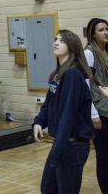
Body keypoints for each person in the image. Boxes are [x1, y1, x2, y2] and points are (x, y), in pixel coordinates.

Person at [33, 29, 94, 194]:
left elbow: (68, 115)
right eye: (55, 39)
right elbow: (49, 103)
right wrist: (39, 121)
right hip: (62, 143)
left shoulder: (73, 74)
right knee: (48, 188)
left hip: (72, 146)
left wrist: (58, 150)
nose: (56, 42)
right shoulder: (59, 73)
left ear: (72, 47)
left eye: (62, 40)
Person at [84, 17, 108, 194]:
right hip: (100, 110)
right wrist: (93, 113)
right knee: (104, 156)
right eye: (101, 30)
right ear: (93, 33)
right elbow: (86, 84)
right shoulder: (89, 53)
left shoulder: (106, 50)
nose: (106, 32)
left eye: (107, 29)